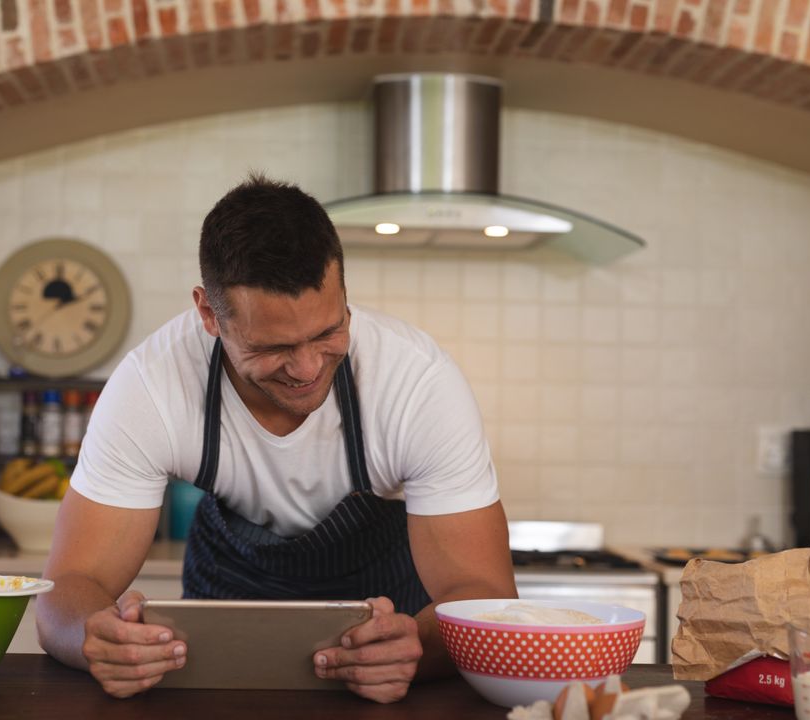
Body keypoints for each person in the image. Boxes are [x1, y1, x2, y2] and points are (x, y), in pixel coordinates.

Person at [36, 174, 517, 704]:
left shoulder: (417, 383)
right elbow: (68, 588)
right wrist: (95, 640)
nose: (308, 368)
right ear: (207, 314)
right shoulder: (151, 385)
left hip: (389, 639)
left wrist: (415, 649)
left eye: (328, 332)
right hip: (223, 625)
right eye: (274, 346)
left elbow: (484, 598)